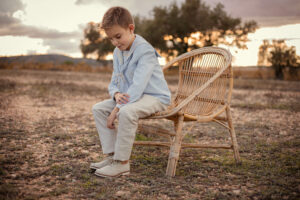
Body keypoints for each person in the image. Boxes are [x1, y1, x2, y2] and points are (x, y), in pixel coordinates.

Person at [91, 6, 171, 177]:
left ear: (131, 28)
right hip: (130, 97)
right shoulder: (117, 52)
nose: (115, 42)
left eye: (118, 36)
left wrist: (116, 110)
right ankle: (112, 157)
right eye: (111, 39)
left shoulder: (145, 51)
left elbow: (138, 86)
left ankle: (122, 163)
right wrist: (115, 95)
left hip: (154, 97)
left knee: (126, 112)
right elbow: (114, 81)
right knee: (98, 108)